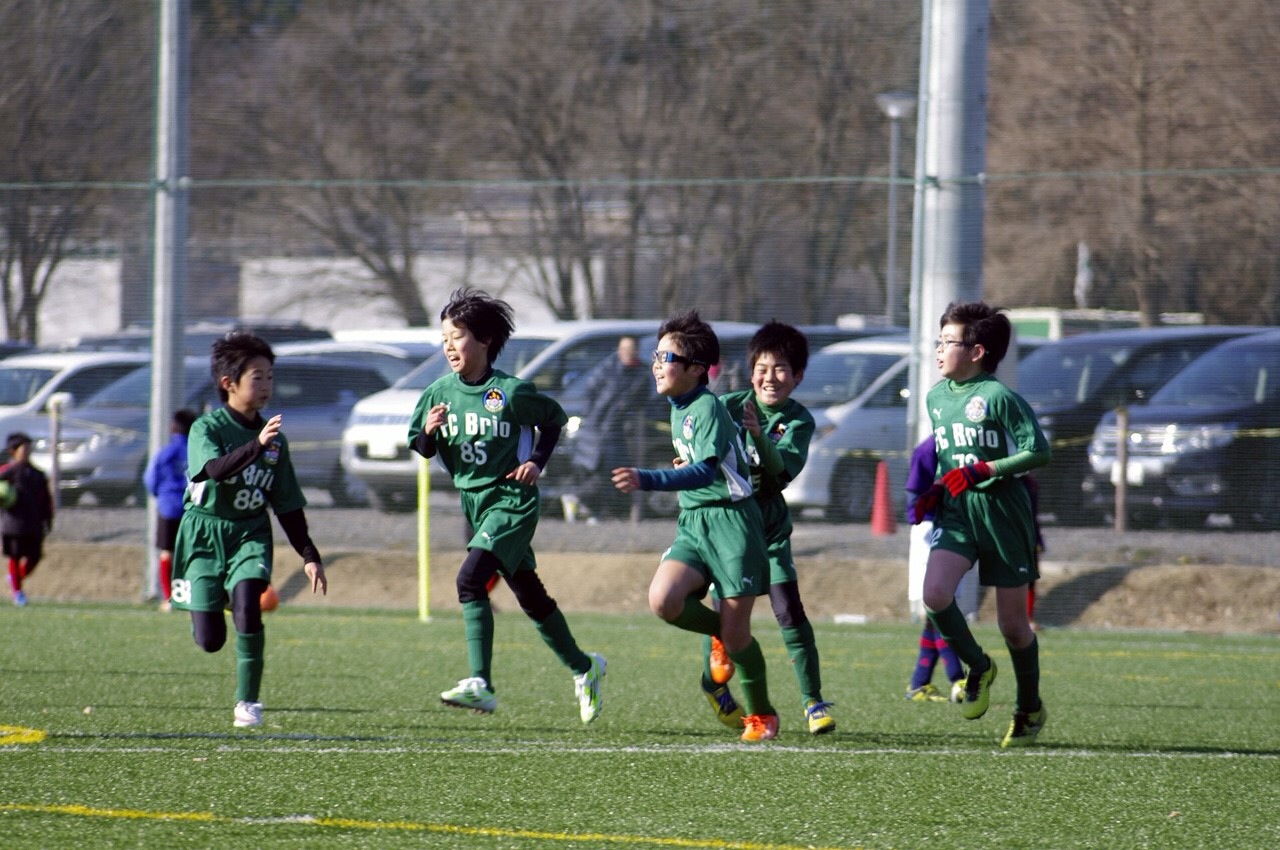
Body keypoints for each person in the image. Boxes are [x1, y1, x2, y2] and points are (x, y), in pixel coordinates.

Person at [408, 288, 605, 724]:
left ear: (484, 340)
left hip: (511, 499)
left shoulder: (510, 392)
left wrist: (536, 462)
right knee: (529, 594)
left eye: (457, 337)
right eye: (444, 339)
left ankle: (481, 683)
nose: (449, 346)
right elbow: (421, 448)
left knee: (469, 580)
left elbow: (553, 420)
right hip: (475, 503)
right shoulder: (438, 393)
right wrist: (428, 432)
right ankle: (584, 667)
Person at [611, 309, 779, 743]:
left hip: (733, 525)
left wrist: (647, 478)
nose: (656, 365)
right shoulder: (678, 406)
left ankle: (762, 714)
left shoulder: (705, 407)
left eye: (665, 357)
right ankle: (720, 635)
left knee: (739, 638)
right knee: (663, 600)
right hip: (693, 523)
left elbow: (705, 473)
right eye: (655, 355)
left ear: (696, 368)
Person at [911, 302, 1051, 748]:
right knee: (934, 594)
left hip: (1003, 514)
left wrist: (986, 469)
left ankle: (1028, 709)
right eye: (938, 341)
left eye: (947, 342)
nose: (938, 350)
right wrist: (936, 487)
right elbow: (950, 456)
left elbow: (1038, 451)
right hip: (958, 512)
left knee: (1013, 626)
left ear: (976, 352)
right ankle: (979, 665)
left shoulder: (998, 397)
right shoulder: (936, 397)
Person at [170, 332, 328, 728]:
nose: (267, 385)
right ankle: (213, 601)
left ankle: (248, 702)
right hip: (204, 533)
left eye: (270, 376)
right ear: (229, 383)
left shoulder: (276, 442)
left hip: (249, 533)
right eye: (258, 377)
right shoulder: (207, 429)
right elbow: (213, 470)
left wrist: (309, 555)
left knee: (248, 607)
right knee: (210, 641)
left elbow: (287, 505)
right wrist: (256, 444)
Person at [707, 320, 835, 735]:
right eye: (762, 368)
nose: (770, 377)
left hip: (770, 533)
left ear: (798, 376)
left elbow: (780, 474)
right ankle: (715, 687)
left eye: (781, 369)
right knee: (724, 624)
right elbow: (696, 439)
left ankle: (813, 702)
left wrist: (759, 436)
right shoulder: (726, 406)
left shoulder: (798, 421)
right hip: (728, 532)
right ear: (750, 372)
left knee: (789, 612)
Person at [903, 435, 968, 703]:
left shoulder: (964, 444)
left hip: (954, 528)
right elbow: (913, 495)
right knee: (939, 609)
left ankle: (919, 684)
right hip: (930, 529)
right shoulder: (928, 449)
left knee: (938, 612)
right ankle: (958, 679)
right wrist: (922, 516)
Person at [561, 335, 654, 522]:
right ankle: (582, 503)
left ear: (637, 351)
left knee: (612, 473)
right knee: (597, 472)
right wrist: (590, 420)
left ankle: (586, 506)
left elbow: (642, 401)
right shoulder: (606, 369)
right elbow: (590, 394)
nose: (627, 353)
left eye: (631, 349)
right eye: (624, 349)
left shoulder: (641, 374)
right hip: (595, 431)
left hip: (618, 433)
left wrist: (628, 421)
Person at [143, 408, 198, 612]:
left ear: (173, 427)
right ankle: (192, 597)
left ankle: (169, 599)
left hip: (168, 509)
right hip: (192, 510)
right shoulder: (197, 452)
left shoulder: (165, 452)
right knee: (191, 554)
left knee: (167, 553)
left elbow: (150, 479)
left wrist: (162, 495)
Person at [0, 432, 54, 607]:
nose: (27, 451)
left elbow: (46, 499)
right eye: (23, 448)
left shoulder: (38, 474)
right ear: (13, 451)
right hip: (13, 522)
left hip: (34, 522)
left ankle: (16, 578)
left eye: (29, 448)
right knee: (15, 556)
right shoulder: (7, 471)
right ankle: (18, 593)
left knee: (35, 556)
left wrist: (48, 518)